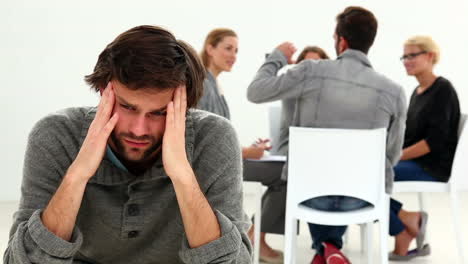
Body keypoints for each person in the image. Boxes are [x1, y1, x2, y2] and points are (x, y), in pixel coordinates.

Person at [4, 25, 252, 264]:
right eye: (127, 107)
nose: (138, 129)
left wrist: (183, 177)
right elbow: (22, 261)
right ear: (103, 91)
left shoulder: (214, 138)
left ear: (185, 108)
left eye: (159, 113)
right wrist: (77, 176)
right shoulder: (56, 134)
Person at [247, 6, 407, 264]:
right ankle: (330, 247)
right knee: (339, 179)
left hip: (309, 196)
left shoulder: (311, 71)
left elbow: (255, 92)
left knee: (317, 179)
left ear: (341, 41)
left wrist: (277, 57)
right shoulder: (394, 91)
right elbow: (393, 155)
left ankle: (325, 247)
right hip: (362, 200)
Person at [198, 28, 283, 263]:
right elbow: (206, 141)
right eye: (228, 48)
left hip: (227, 159)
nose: (233, 55)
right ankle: (255, 237)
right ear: (210, 48)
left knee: (284, 173)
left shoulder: (213, 83)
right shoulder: (204, 84)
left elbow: (218, 134)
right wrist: (247, 152)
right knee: (286, 174)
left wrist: (249, 148)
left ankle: (256, 235)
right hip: (216, 166)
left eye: (236, 50)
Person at [388, 35, 460, 261]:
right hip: (418, 160)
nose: (406, 61)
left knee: (373, 177)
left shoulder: (443, 90)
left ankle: (403, 228)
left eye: (412, 55)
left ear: (430, 56)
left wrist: (395, 158)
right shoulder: (417, 92)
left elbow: (433, 143)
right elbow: (410, 137)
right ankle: (407, 219)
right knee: (369, 173)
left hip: (432, 166)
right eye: (404, 56)